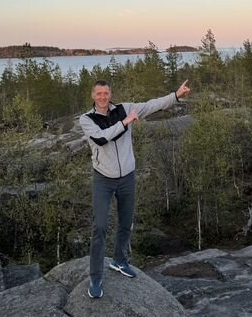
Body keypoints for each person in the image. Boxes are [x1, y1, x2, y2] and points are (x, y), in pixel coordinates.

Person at [80, 79, 192, 298]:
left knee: (126, 223)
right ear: (93, 96)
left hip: (127, 177)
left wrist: (176, 95)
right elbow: (102, 139)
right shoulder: (87, 119)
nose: (103, 96)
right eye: (99, 93)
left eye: (106, 93)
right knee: (100, 227)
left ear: (110, 94)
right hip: (103, 178)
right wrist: (125, 122)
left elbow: (152, 105)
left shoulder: (125, 108)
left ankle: (120, 260)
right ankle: (96, 277)